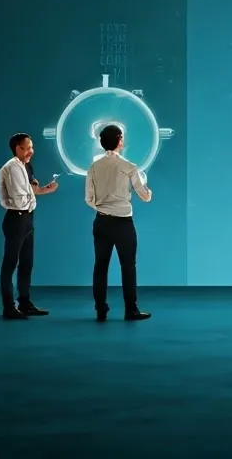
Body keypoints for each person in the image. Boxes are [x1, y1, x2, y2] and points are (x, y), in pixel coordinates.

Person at [85, 124, 153, 322]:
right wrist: (148, 190)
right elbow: (145, 196)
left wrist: (103, 206)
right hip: (123, 223)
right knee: (128, 266)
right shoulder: (130, 167)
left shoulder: (94, 167)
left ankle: (100, 308)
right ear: (119, 140)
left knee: (100, 265)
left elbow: (88, 198)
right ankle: (131, 309)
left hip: (101, 221)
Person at [0, 133, 58, 319]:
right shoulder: (11, 169)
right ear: (18, 148)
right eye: (28, 147)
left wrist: (42, 190)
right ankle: (9, 307)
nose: (32, 151)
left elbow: (30, 192)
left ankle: (24, 303)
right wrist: (33, 194)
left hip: (27, 219)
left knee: (26, 263)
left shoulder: (26, 166)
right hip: (16, 219)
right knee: (10, 265)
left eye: (32, 147)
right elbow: (20, 199)